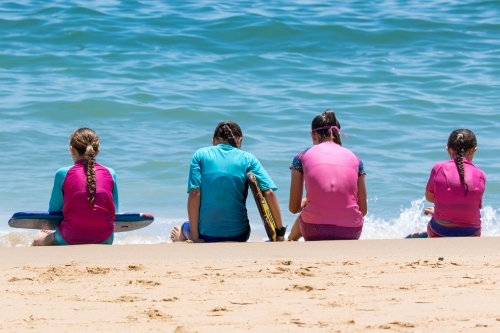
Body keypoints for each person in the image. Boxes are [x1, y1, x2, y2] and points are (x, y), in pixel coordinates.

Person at [170, 121, 286, 243]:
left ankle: (180, 237)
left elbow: (194, 193)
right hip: (240, 235)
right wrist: (280, 234)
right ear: (240, 140)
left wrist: (195, 237)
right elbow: (269, 192)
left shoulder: (200, 155)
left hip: (206, 235)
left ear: (213, 141)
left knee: (184, 227)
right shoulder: (248, 158)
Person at [287, 109, 367, 241]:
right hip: (351, 231)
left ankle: (290, 240)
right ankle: (291, 239)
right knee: (311, 209)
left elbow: (294, 208)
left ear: (313, 135)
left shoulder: (301, 157)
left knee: (307, 213)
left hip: (313, 230)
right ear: (338, 133)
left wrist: (306, 202)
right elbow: (362, 210)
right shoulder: (356, 159)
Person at [33, 128, 119, 246]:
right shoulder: (110, 173)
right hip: (106, 238)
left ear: (72, 149)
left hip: (70, 236)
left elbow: (54, 211)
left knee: (38, 240)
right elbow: (115, 210)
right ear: (97, 151)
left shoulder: (62, 173)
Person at [407, 129, 485, 238]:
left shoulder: (438, 168)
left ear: (448, 150)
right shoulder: (481, 175)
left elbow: (429, 197)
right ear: (473, 150)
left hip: (440, 231)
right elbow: (471, 203)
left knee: (434, 226)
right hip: (472, 233)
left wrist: (438, 211)